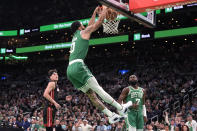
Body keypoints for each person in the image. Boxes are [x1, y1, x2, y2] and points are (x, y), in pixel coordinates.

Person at [66, 6, 132, 124]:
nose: (84, 25)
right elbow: (97, 24)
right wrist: (105, 10)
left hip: (69, 70)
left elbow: (90, 26)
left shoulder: (76, 36)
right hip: (78, 66)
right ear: (79, 27)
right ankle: (121, 108)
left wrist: (94, 13)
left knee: (92, 95)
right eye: (82, 24)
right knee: (99, 90)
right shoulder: (83, 32)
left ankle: (110, 115)